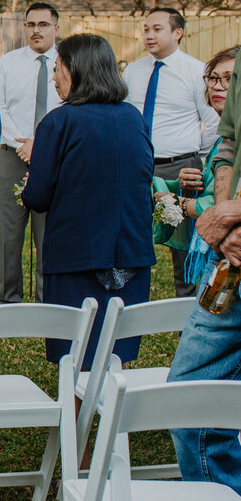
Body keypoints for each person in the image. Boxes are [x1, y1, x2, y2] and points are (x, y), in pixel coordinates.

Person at [21, 34, 154, 370]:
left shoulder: (58, 122)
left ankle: (76, 421)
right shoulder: (133, 118)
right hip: (130, 255)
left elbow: (37, 197)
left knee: (77, 356)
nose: (53, 78)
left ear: (76, 69)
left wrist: (29, 185)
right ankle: (114, 421)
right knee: (115, 350)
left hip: (77, 257)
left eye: (58, 69)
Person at [166, 44, 241, 492]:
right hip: (229, 270)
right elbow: (227, 144)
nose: (220, 87)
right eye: (215, 79)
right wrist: (229, 213)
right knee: (188, 399)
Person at [123, 8, 218, 296]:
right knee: (131, 235)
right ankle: (128, 301)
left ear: (177, 32)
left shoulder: (197, 71)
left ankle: (184, 310)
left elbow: (212, 121)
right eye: (146, 29)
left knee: (183, 244)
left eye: (157, 29)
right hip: (138, 168)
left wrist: (194, 159)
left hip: (181, 169)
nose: (149, 35)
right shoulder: (133, 71)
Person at [0, 2, 61, 303]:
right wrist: (23, 145)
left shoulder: (68, 63)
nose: (36, 30)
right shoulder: (8, 62)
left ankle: (49, 302)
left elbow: (70, 107)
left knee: (49, 234)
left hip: (54, 159)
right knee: (7, 232)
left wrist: (42, 145)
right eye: (30, 24)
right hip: (11, 155)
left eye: (43, 24)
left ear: (56, 28)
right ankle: (7, 299)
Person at [154, 46, 237, 280]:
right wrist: (190, 185)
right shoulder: (224, 136)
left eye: (229, 79)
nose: (217, 85)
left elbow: (229, 203)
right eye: (213, 77)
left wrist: (179, 203)